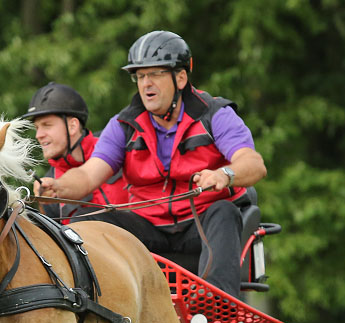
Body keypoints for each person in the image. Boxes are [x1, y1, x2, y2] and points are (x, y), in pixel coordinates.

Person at [36, 31, 267, 298]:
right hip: (149, 229)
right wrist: (58, 186)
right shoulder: (123, 125)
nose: (146, 84)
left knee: (224, 210)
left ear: (180, 78)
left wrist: (225, 174)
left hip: (199, 225)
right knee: (94, 220)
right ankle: (97, 300)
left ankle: (216, 304)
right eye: (141, 76)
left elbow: (254, 164)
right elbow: (89, 175)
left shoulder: (215, 114)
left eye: (155, 74)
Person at [23, 82, 128, 223]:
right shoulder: (48, 190)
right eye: (37, 127)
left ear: (73, 126)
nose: (38, 135)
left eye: (47, 125)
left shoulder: (118, 145)